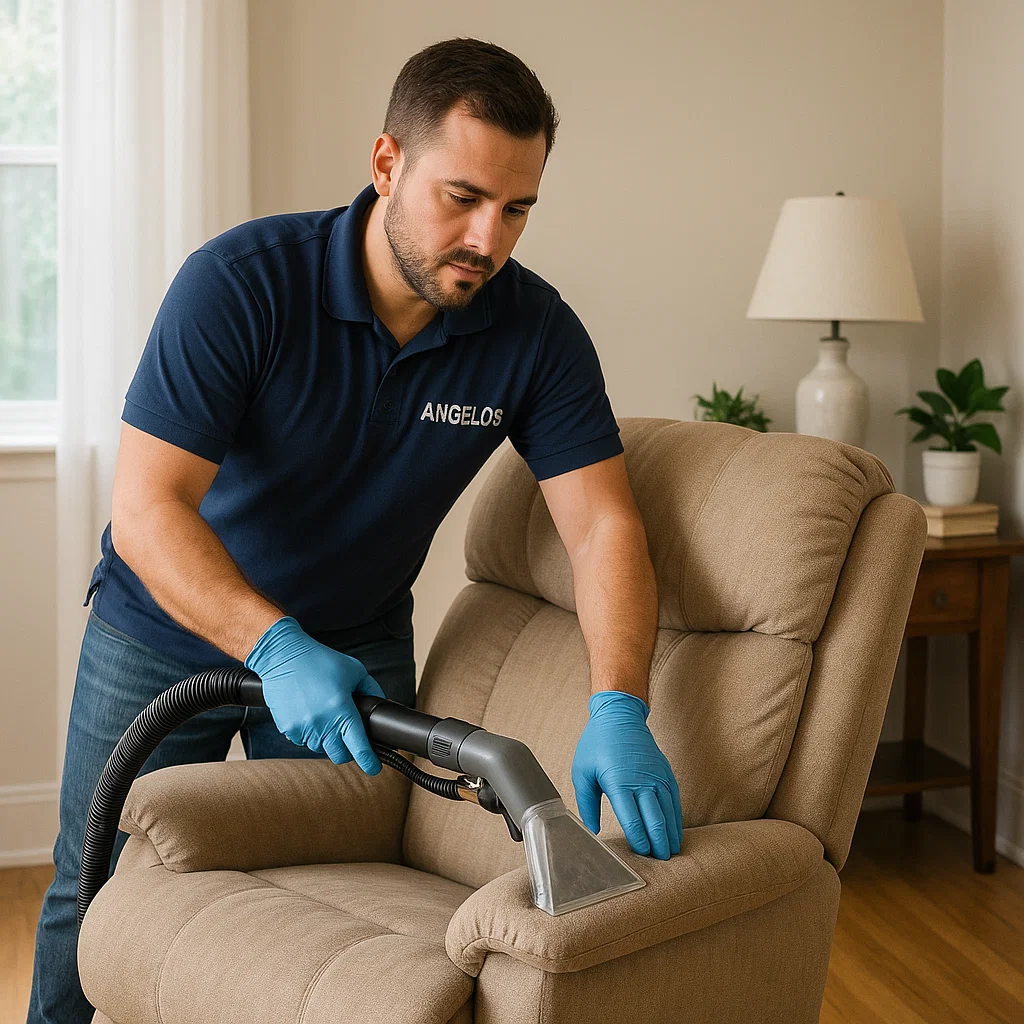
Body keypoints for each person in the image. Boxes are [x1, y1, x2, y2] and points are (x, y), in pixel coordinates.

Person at [27, 36, 683, 1024]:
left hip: (354, 640)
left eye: (516, 209)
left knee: (318, 895)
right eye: (460, 197)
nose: (486, 239)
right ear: (386, 163)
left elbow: (601, 530)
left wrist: (619, 706)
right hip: (162, 627)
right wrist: (270, 642)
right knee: (98, 878)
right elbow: (147, 506)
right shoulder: (242, 283)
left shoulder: (533, 332)